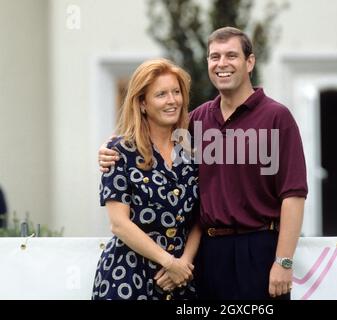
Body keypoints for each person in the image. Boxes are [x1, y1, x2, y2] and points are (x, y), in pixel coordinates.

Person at [98, 27, 307, 300]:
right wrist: (107, 149)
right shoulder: (196, 121)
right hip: (208, 255)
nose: (222, 64)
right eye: (214, 56)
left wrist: (284, 261)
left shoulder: (276, 117)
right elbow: (145, 135)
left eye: (231, 55)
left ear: (250, 62)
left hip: (258, 250)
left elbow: (293, 195)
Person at [92, 58, 201, 300]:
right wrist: (169, 262)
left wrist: (183, 264)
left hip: (181, 279)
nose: (172, 100)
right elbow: (119, 223)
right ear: (142, 103)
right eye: (161, 94)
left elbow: (200, 218)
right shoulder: (119, 151)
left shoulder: (192, 151)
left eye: (176, 92)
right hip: (128, 278)